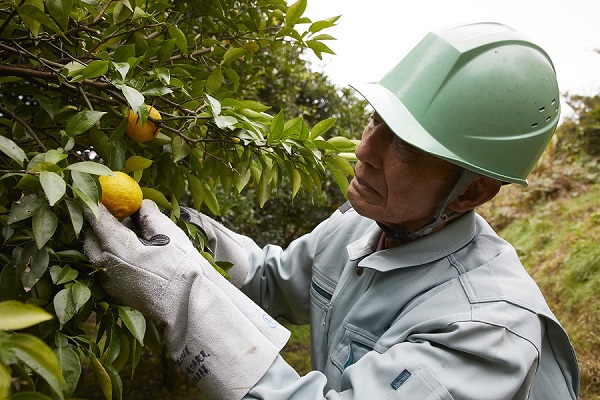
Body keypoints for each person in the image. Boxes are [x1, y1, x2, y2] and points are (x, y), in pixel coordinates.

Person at [84, 22, 580, 399]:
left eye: (405, 147)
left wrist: (178, 292)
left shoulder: (487, 330)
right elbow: (268, 280)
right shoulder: (359, 226)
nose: (365, 150)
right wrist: (177, 229)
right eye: (374, 121)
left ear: (472, 193)